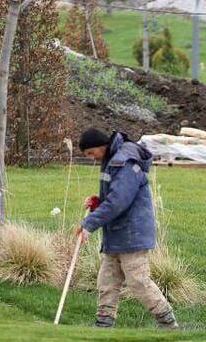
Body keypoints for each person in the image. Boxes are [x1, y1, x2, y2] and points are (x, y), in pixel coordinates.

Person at [76, 127, 179, 330]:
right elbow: (114, 197)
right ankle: (103, 323)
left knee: (138, 281)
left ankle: (167, 321)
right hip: (117, 234)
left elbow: (118, 201)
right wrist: (99, 202)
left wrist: (89, 224)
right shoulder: (112, 159)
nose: (91, 158)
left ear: (100, 146)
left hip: (132, 233)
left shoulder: (123, 161)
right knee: (107, 280)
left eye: (90, 153)